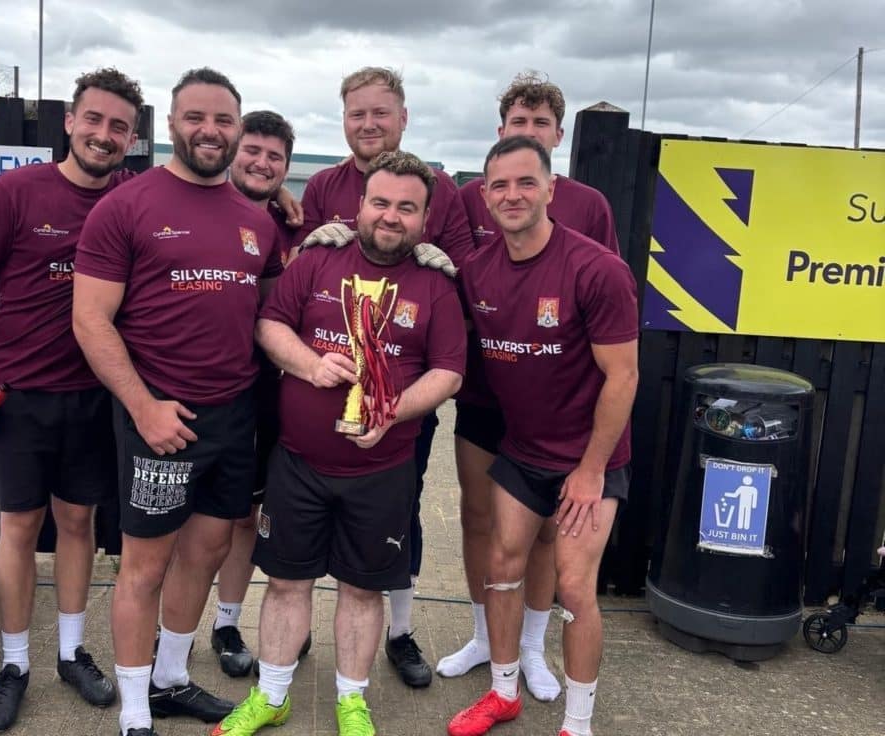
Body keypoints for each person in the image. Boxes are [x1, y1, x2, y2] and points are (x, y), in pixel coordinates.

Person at [212, 150, 465, 736]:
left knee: (363, 588)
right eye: (381, 202)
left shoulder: (436, 285)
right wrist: (306, 364)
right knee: (284, 583)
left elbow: (449, 371)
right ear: (361, 206)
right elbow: (270, 324)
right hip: (298, 463)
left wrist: (391, 409)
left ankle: (352, 701)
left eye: (407, 208)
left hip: (383, 468)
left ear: (425, 220)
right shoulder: (318, 261)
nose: (391, 216)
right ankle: (272, 695)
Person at [72, 68, 284, 736]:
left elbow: (272, 316)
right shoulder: (127, 206)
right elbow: (90, 321)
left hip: (233, 416)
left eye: (223, 120)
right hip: (158, 417)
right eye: (196, 117)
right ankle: (136, 707)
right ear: (171, 124)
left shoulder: (257, 222)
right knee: (145, 565)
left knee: (208, 551)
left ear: (238, 129)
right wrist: (142, 407)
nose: (210, 131)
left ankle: (169, 679)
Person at [0, 68, 143, 733]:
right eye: (94, 119)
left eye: (119, 126)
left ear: (132, 137)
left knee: (81, 523)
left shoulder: (132, 201)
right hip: (21, 395)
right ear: (70, 121)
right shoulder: (17, 190)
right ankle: (13, 663)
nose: (103, 134)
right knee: (20, 528)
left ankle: (68, 650)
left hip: (95, 397)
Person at [440, 73, 621, 702]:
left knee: (548, 531)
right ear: (500, 134)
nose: (528, 134)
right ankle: (484, 640)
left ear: (557, 141)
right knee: (479, 518)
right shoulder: (469, 198)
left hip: (560, 403)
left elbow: (606, 309)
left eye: (540, 125)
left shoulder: (590, 208)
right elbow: (446, 275)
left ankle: (534, 650)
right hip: (490, 395)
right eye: (518, 123)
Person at [292, 65, 474, 689]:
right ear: (344, 120)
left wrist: (434, 259)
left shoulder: (439, 187)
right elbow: (304, 270)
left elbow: (456, 274)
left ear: (403, 117)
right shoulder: (321, 185)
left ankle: (399, 631)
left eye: (381, 112)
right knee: (308, 508)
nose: (369, 124)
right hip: (326, 378)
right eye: (356, 113)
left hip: (401, 385)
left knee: (401, 509)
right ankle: (306, 626)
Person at [210, 110, 298, 677]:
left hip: (270, 390)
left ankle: (228, 622)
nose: (262, 163)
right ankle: (165, 632)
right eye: (253, 151)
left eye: (276, 157)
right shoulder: (188, 204)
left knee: (251, 517)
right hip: (198, 392)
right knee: (191, 526)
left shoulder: (289, 225)